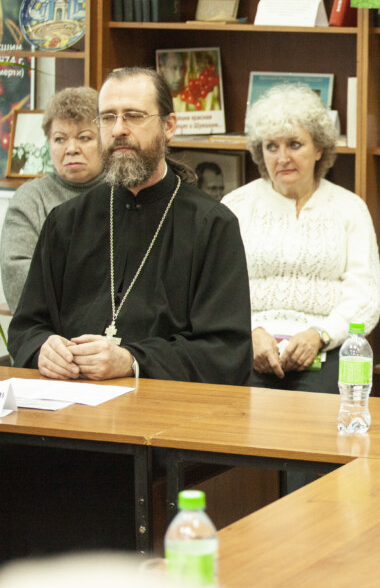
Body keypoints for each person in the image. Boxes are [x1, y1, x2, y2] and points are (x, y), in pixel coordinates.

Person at [7, 67, 253, 385]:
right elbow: (26, 327)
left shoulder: (212, 225)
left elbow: (226, 351)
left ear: (168, 126)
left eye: (133, 116)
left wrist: (132, 361)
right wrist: (42, 349)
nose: (119, 129)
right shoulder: (65, 221)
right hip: (69, 397)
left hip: (163, 404)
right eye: (108, 117)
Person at [223, 84, 380, 393]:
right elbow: (216, 293)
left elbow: (366, 296)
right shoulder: (236, 206)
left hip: (327, 347)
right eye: (271, 147)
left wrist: (321, 334)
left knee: (323, 410)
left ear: (319, 148)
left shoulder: (350, 208)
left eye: (294, 144)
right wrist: (250, 332)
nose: (282, 157)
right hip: (247, 345)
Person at [1, 87, 106, 312]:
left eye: (84, 137)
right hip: (45, 328)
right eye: (60, 139)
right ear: (48, 143)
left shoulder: (125, 192)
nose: (71, 149)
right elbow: (17, 278)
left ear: (105, 140)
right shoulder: (30, 200)